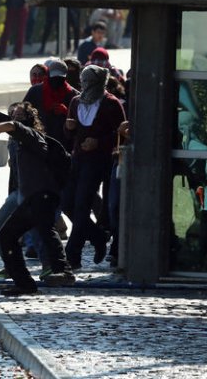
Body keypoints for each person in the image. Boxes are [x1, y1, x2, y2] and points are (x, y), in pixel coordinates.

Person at [0, 102, 75, 296]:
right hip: (31, 197)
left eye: (18, 114)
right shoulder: (21, 141)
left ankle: (63, 271)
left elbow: (10, 126)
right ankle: (24, 282)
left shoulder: (30, 134)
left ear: (29, 119)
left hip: (43, 193)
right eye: (12, 114)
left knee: (46, 230)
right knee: (6, 235)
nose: (14, 117)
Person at [63, 64, 126, 270]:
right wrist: (69, 128)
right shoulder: (75, 102)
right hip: (78, 159)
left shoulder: (110, 103)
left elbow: (120, 133)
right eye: (83, 80)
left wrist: (98, 141)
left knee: (82, 204)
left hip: (99, 161)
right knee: (67, 203)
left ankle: (72, 254)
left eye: (88, 81)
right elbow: (71, 134)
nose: (84, 84)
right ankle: (98, 236)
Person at [23, 59, 79, 144]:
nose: (56, 80)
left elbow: (81, 122)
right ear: (48, 74)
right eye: (54, 77)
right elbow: (23, 112)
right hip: (39, 140)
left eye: (60, 78)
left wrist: (67, 112)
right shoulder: (35, 91)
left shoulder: (73, 95)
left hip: (63, 143)